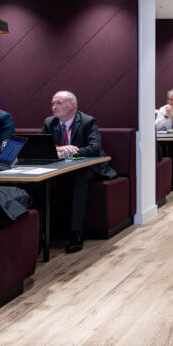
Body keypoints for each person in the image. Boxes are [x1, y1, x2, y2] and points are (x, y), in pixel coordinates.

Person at [41, 91, 116, 253]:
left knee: (78, 179)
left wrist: (71, 152)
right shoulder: (50, 122)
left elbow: (94, 148)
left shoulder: (88, 121)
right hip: (61, 167)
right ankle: (43, 233)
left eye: (59, 103)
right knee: (41, 182)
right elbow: (40, 146)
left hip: (89, 167)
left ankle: (77, 233)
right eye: (53, 104)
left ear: (72, 104)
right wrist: (62, 148)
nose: (54, 107)